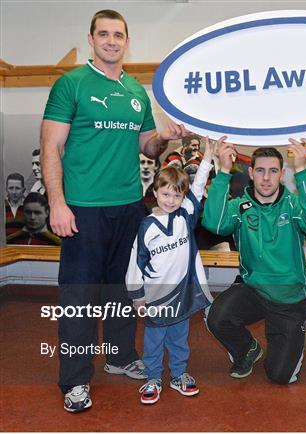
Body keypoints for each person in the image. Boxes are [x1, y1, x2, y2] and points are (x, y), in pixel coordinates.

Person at [40, 9, 192, 413]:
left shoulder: (136, 91)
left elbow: (148, 149)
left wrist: (164, 136)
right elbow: (52, 147)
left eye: (118, 35)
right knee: (81, 296)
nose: (111, 40)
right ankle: (74, 380)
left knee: (124, 289)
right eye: (104, 34)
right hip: (83, 209)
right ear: (91, 38)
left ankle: (120, 356)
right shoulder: (70, 83)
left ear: (127, 41)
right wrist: (57, 202)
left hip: (128, 207)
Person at [203, 139, 306, 384]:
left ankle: (285, 336)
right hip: (254, 290)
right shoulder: (240, 207)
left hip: (289, 299)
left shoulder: (292, 204)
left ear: (282, 174)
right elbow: (214, 224)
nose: (266, 178)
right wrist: (224, 172)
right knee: (216, 317)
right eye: (260, 170)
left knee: (281, 376)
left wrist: (302, 169)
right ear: (251, 173)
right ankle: (248, 348)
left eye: (273, 171)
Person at [126, 138, 216, 405]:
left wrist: (208, 156)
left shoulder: (185, 216)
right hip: (155, 296)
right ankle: (153, 378)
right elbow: (135, 262)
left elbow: (198, 186)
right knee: (153, 340)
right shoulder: (147, 226)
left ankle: (178, 375)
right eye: (166, 194)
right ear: (155, 193)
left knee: (179, 338)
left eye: (177, 195)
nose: (172, 199)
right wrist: (137, 296)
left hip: (183, 294)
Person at [5, 172, 26, 239]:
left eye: (17, 188)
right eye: (11, 188)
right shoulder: (1, 207)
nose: (14, 192)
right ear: (6, 189)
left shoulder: (30, 207)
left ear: (23, 190)